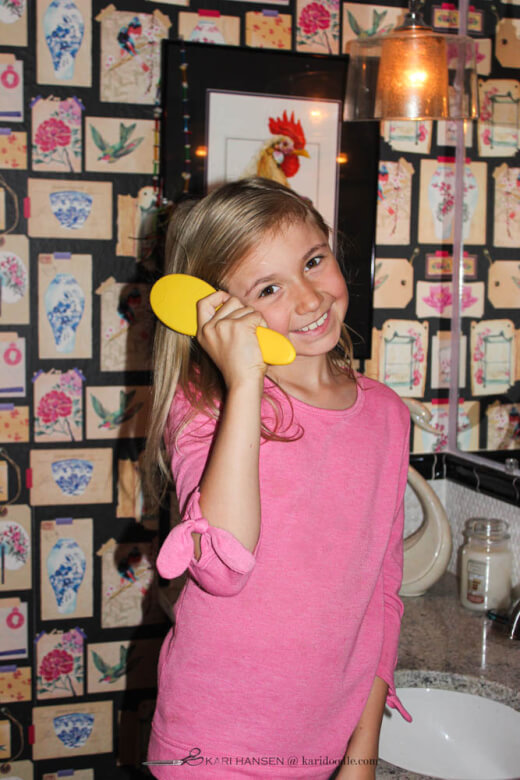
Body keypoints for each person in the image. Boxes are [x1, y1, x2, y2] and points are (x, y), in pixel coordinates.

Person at [144, 177, 411, 779]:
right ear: (218, 314)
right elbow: (222, 565)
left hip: (327, 742)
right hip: (211, 748)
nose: (312, 299)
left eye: (314, 261)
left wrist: (361, 754)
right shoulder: (206, 410)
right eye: (269, 288)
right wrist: (243, 380)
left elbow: (381, 595)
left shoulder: (388, 416)